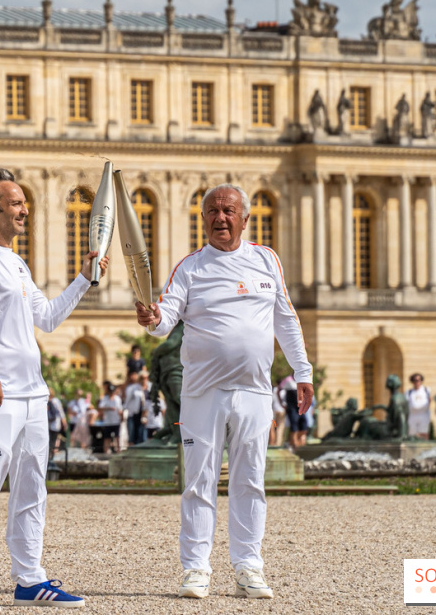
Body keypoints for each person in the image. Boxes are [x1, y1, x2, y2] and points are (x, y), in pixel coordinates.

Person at [136, 184, 313, 601]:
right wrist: (152, 318)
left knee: (250, 481)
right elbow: (166, 318)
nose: (220, 218)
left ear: (244, 219)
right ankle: (196, 568)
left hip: (255, 392)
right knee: (198, 482)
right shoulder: (190, 267)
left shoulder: (267, 260)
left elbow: (285, 318)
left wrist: (302, 371)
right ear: (203, 219)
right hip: (203, 393)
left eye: (229, 211)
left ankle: (248, 566)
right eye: (213, 211)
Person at [0, 168, 107, 611]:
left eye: (24, 203)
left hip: (33, 394)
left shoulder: (17, 263)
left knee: (33, 488)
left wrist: (83, 279)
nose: (24, 210)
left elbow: (48, 318)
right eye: (15, 203)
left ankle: (30, 578)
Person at [98, 382, 122, 454]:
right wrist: (109, 408)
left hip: (116, 421)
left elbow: (120, 409)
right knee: (107, 438)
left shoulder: (117, 399)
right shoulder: (105, 399)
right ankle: (106, 451)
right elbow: (100, 408)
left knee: (117, 437)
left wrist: (122, 417)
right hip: (108, 421)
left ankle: (118, 451)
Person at [123, 371, 146, 445]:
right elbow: (127, 400)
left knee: (141, 435)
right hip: (132, 414)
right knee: (132, 434)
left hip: (142, 414)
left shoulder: (146, 388)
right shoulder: (131, 388)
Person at [405, 373, 431, 440]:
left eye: (418, 380)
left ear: (421, 381)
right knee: (411, 435)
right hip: (412, 416)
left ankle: (425, 446)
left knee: (424, 434)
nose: (416, 382)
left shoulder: (426, 390)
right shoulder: (409, 392)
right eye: (414, 380)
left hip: (423, 415)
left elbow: (430, 400)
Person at [47, 389, 66, 460]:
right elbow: (61, 412)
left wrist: (64, 422)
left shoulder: (53, 401)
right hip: (52, 424)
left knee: (53, 440)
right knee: (52, 440)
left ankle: (52, 455)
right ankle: (51, 455)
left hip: (52, 424)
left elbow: (60, 412)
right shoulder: (52, 401)